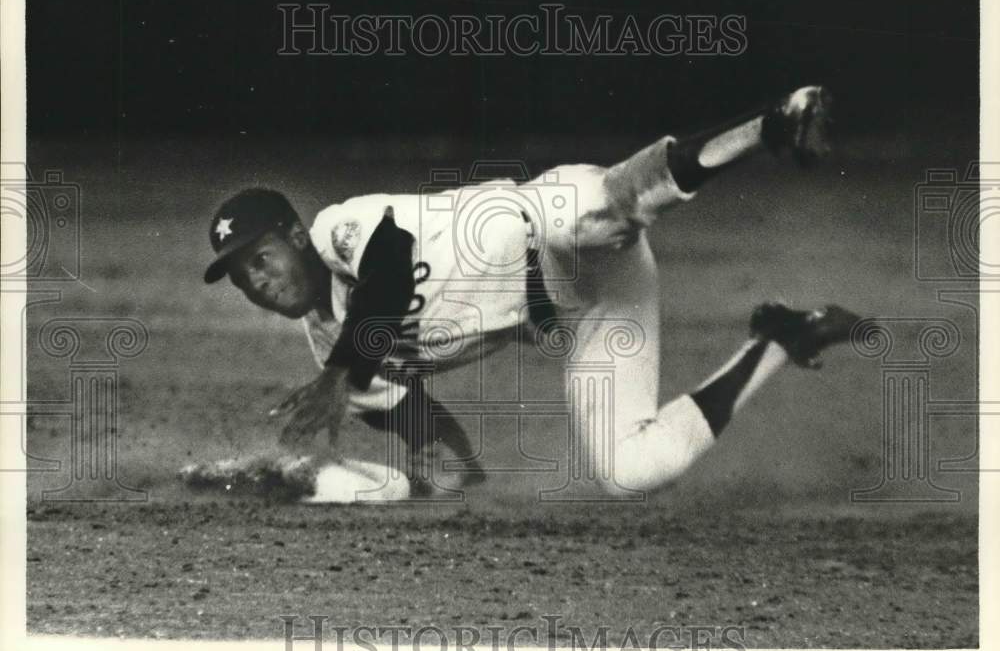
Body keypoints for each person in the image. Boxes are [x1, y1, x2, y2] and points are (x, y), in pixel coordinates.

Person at [199, 84, 859, 502]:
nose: (257, 280)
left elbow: (392, 272)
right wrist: (349, 485)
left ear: (292, 233)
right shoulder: (330, 354)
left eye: (260, 257)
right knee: (630, 470)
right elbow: (450, 461)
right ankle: (777, 341)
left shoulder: (342, 230)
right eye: (240, 275)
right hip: (592, 308)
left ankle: (771, 125)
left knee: (602, 210)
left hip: (545, 223)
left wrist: (343, 373)